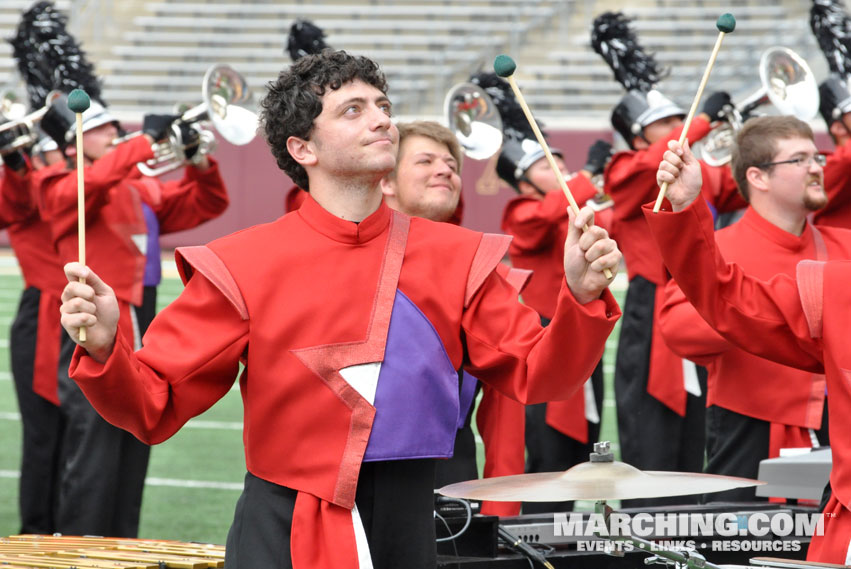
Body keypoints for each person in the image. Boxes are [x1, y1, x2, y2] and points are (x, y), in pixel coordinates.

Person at [59, 50, 621, 568]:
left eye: (383, 106)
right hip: (280, 529)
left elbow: (541, 374)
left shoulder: (462, 256)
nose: (381, 119)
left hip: (410, 526)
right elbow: (153, 406)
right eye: (353, 110)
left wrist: (581, 297)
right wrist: (107, 347)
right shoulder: (240, 263)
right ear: (303, 149)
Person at [648, 135, 851, 564]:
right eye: (801, 159)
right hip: (751, 429)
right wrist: (782, 299)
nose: (818, 167)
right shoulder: (729, 246)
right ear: (757, 177)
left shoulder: (842, 251)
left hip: (833, 433)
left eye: (819, 157)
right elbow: (689, 323)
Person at [35, 98, 229, 537]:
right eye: (101, 130)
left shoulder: (134, 186)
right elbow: (92, 182)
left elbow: (208, 203)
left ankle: (125, 547)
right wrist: (144, 140)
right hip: (92, 322)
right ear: (73, 145)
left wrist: (199, 161)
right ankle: (81, 556)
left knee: (134, 434)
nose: (114, 135)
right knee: (95, 446)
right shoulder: (60, 184)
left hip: (139, 315)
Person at [591, 11, 746, 492]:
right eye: (668, 122)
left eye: (682, 117)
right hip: (651, 306)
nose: (680, 126)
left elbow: (739, 190)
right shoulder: (627, 166)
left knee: (694, 441)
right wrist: (700, 122)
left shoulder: (694, 168)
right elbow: (647, 165)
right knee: (649, 435)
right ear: (639, 135)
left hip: (701, 300)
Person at [380, 119, 526, 517]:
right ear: (385, 182)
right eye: (425, 161)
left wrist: (500, 512)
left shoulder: (483, 272)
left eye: (451, 164)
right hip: (356, 483)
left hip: (454, 480)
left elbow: (505, 419)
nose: (445, 169)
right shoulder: (346, 265)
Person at [498, 135, 609, 514]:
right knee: (549, 458)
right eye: (547, 166)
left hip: (581, 333)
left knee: (584, 452)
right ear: (525, 184)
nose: (560, 169)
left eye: (561, 162)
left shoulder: (572, 209)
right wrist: (589, 173)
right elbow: (544, 215)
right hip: (546, 337)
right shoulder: (521, 210)